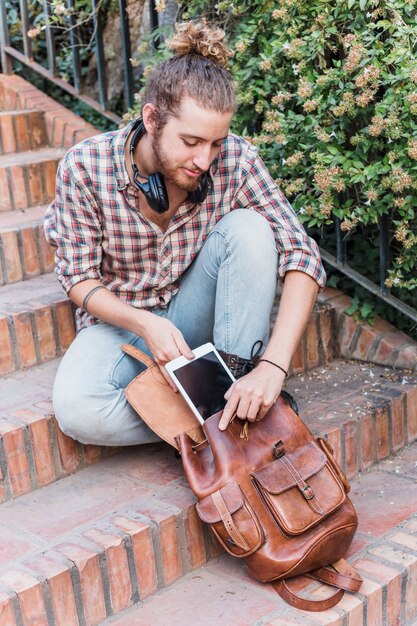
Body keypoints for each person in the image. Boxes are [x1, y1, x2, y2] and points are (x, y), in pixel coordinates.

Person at [44, 20, 326, 447]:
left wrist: (274, 365)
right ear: (152, 118)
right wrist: (145, 324)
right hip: (122, 320)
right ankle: (222, 414)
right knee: (80, 411)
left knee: (250, 229)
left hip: (198, 312)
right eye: (191, 141)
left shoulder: (236, 160)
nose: (204, 160)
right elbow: (78, 279)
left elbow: (302, 256)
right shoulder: (85, 166)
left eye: (215, 143)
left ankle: (239, 387)